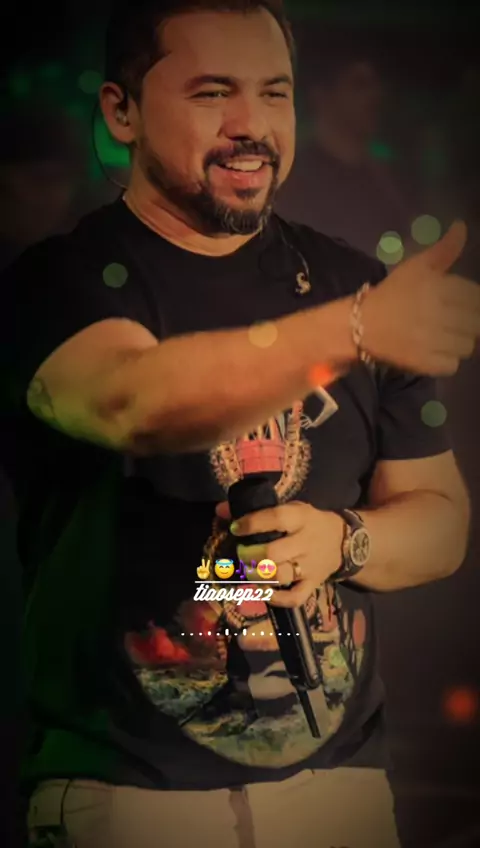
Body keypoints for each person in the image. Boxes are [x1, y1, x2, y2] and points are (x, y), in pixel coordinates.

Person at [1, 2, 479, 846]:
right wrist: (356, 329)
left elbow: (442, 524)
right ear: (121, 111)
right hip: (129, 800)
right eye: (213, 92)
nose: (251, 125)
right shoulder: (59, 282)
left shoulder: (355, 284)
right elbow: (132, 402)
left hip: (338, 793)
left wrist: (342, 542)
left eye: (274, 92)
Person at [275, 39, 414, 258]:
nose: (375, 96)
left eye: (376, 84)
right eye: (359, 85)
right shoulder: (295, 179)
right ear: (321, 96)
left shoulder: (382, 177)